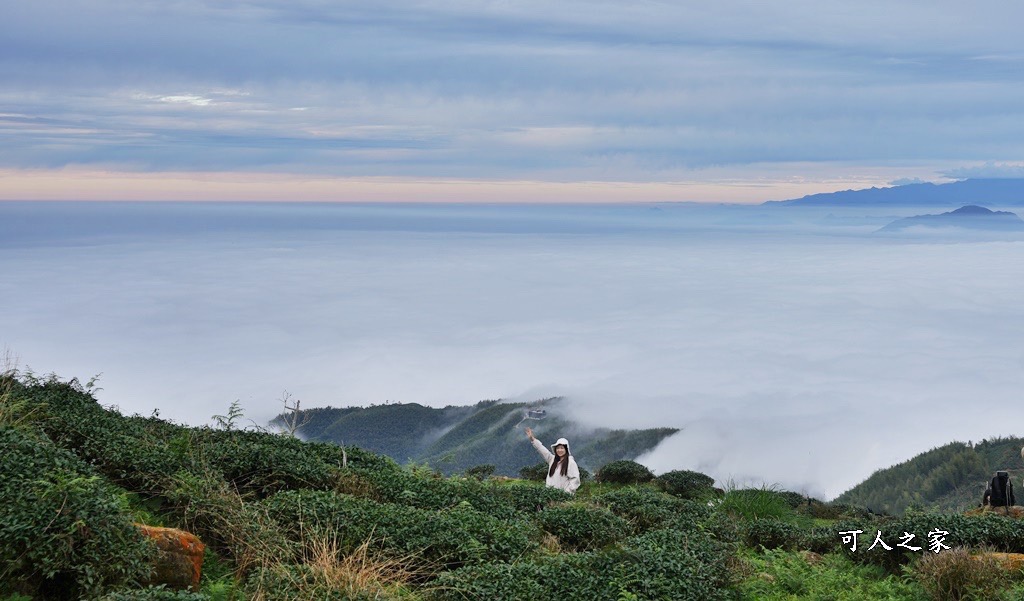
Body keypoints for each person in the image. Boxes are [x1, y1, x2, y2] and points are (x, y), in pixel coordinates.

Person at [526, 427, 581, 494]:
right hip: (549, 495)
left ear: (566, 450)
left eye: (562, 448)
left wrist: (566, 493)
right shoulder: (552, 460)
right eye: (558, 448)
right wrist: (532, 439)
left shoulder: (570, 462)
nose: (559, 450)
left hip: (563, 497)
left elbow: (575, 480)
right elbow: (543, 450)